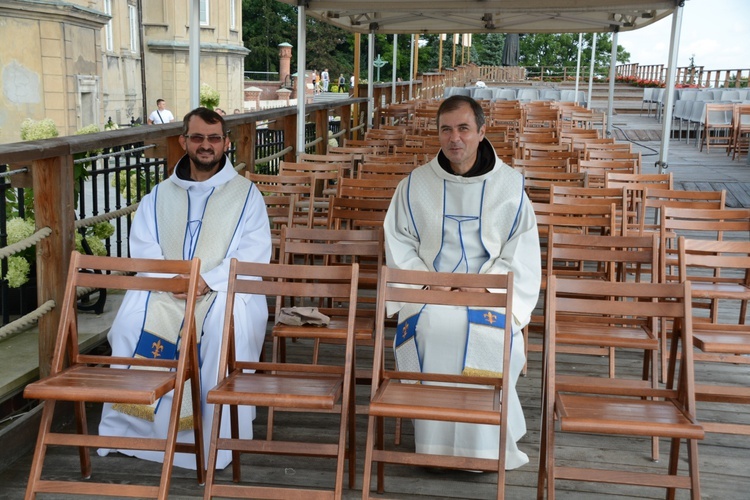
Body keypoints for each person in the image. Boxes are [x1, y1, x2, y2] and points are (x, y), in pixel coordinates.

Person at [98, 107, 272, 470]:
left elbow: (254, 252)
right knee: (129, 324)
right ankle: (135, 432)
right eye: (197, 138)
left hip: (224, 290)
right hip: (167, 289)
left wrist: (206, 282)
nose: (205, 145)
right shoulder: (159, 196)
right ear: (183, 141)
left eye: (213, 138)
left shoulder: (246, 195)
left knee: (221, 330)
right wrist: (171, 281)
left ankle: (208, 439)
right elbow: (143, 246)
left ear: (226, 143)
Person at [383, 95, 541, 470]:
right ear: (438, 133)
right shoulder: (414, 184)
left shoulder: (510, 187)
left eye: (464, 129)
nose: (455, 138)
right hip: (429, 293)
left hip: (489, 294)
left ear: (482, 132)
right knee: (433, 329)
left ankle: (484, 450)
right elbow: (399, 240)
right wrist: (430, 285)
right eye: (446, 129)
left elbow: (520, 252)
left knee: (492, 338)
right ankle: (436, 449)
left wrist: (479, 288)